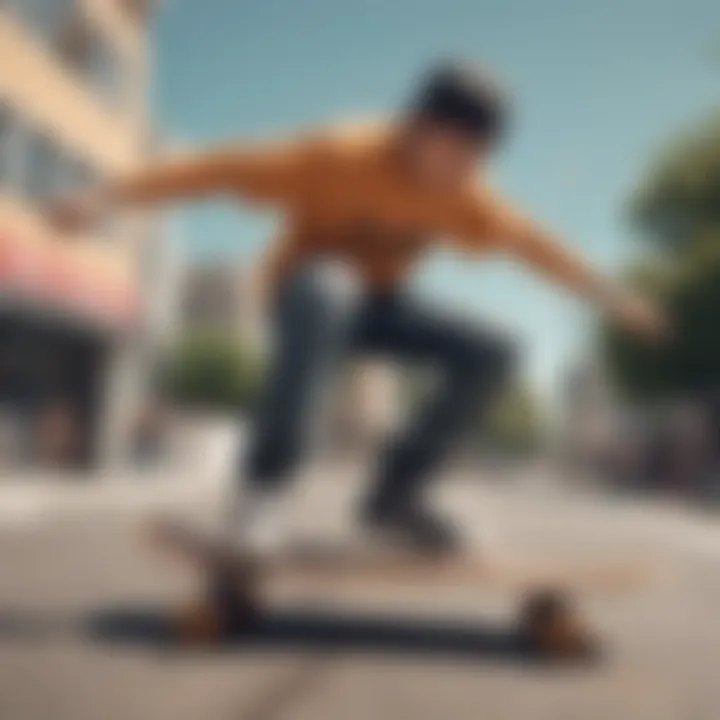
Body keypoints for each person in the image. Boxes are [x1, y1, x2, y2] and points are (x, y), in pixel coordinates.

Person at [47, 62, 666, 554]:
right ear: (418, 129)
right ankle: (261, 497)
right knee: (327, 285)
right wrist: (104, 199)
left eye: (478, 159)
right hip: (304, 294)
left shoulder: (468, 197)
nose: (464, 173)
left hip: (384, 307)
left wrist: (614, 299)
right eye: (456, 154)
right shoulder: (337, 154)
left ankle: (395, 496)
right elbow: (217, 168)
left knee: (496, 348)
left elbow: (536, 246)